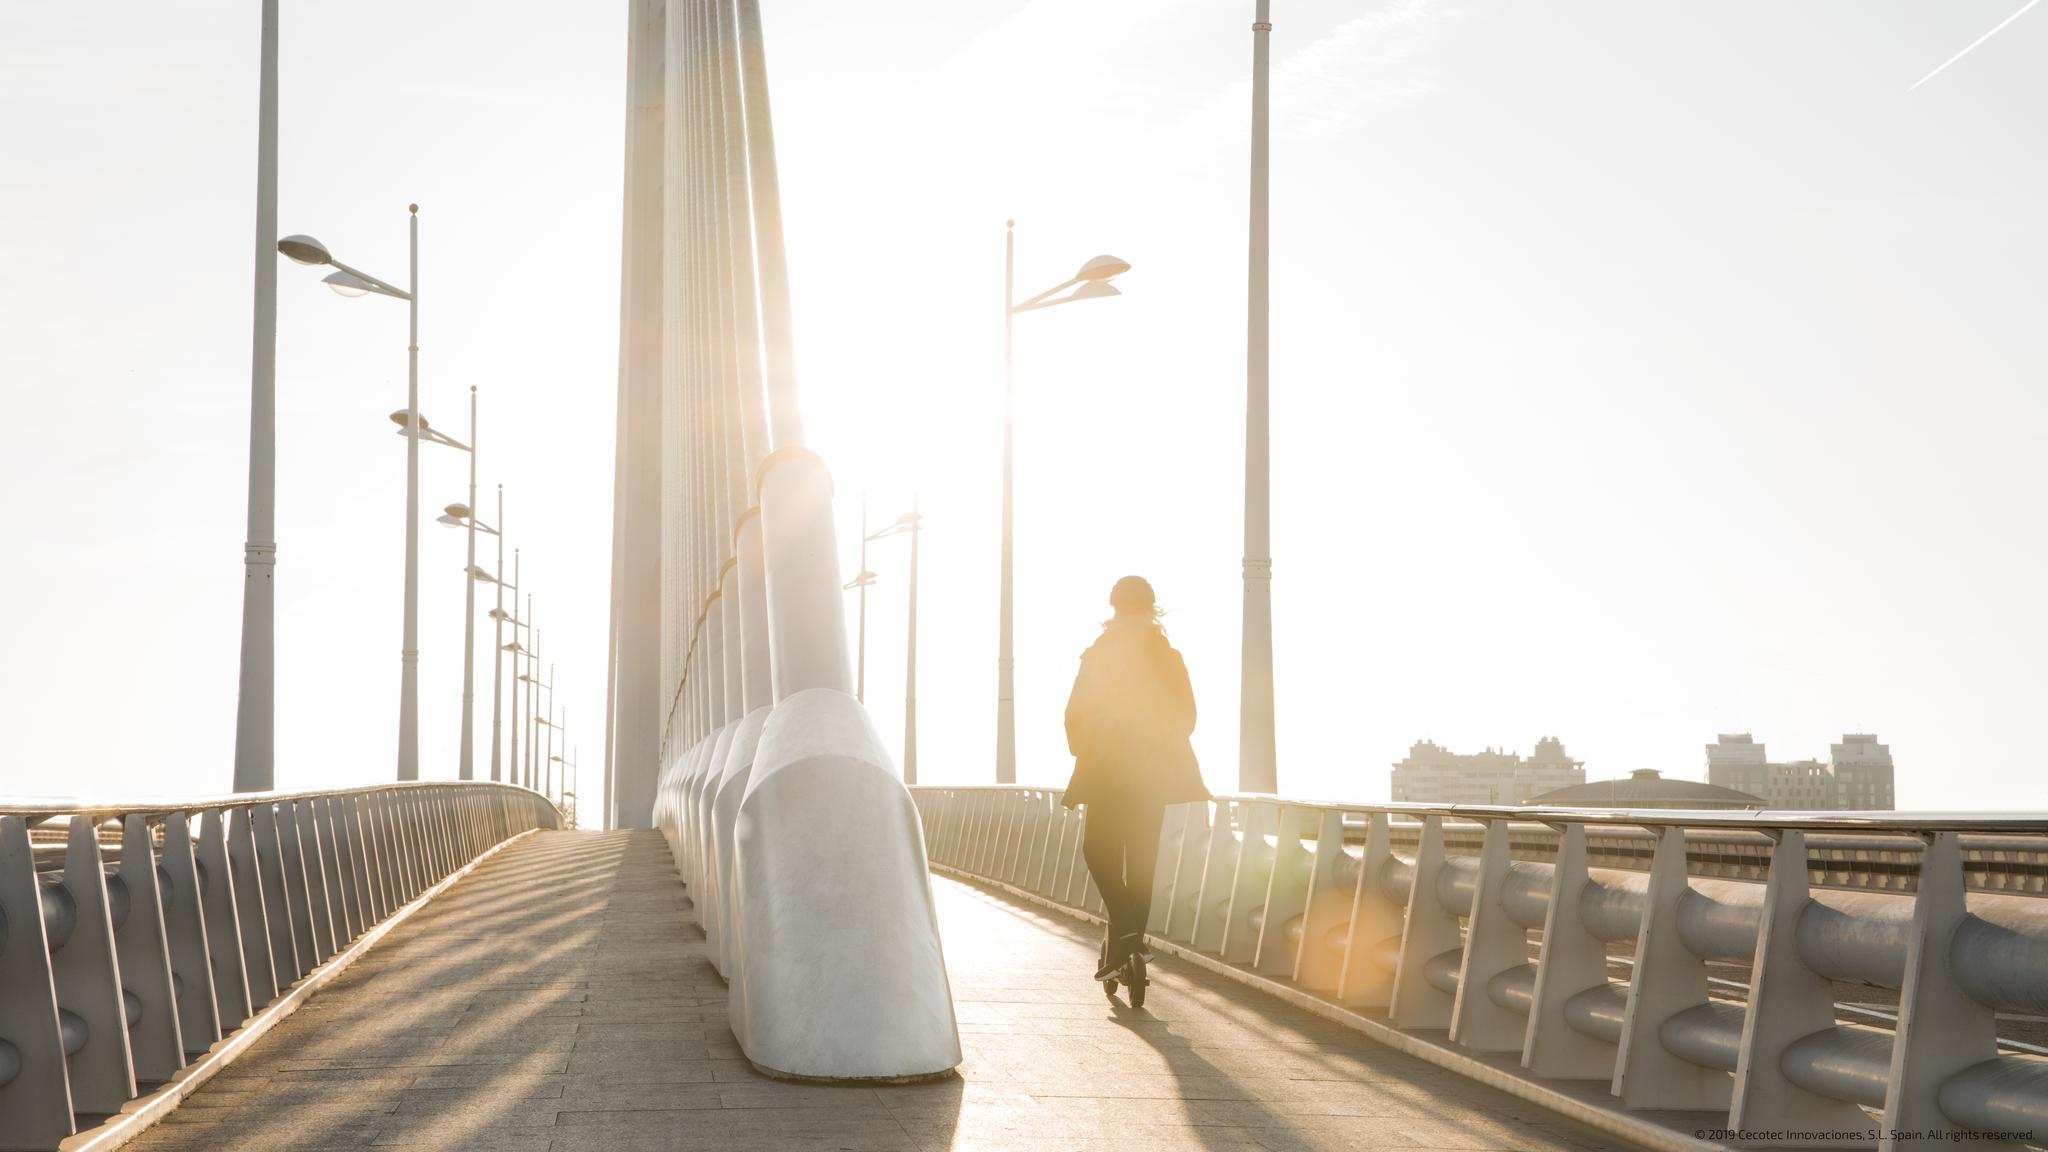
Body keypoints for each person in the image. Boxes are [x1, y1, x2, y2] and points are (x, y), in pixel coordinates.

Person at [1061, 575, 1210, 982]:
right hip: (1153, 774)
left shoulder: (1099, 655)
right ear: (1151, 610)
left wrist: (1087, 746)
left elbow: (1076, 712)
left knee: (1098, 851)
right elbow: (1187, 716)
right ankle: (1130, 938)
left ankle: (1125, 935)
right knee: (1140, 860)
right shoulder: (1167, 656)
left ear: (1119, 610)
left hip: (1107, 768)